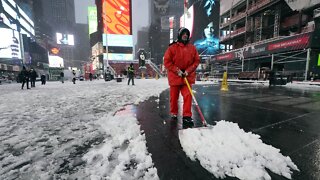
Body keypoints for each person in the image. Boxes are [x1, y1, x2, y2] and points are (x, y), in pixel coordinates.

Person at [164, 27, 200, 127]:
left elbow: (196, 61)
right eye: (183, 34)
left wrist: (188, 71)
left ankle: (187, 116)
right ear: (180, 35)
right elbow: (167, 61)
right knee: (174, 97)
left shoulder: (192, 48)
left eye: (187, 34)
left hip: (186, 78)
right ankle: (174, 112)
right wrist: (177, 70)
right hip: (175, 78)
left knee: (188, 96)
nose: (185, 35)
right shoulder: (172, 48)